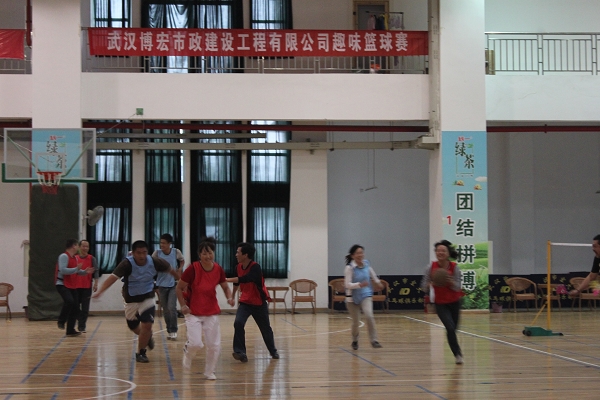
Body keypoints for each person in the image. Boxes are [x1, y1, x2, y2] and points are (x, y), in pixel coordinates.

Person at [93, 240, 179, 363]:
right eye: (139, 253)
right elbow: (112, 278)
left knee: (147, 324)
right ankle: (147, 336)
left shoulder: (154, 261)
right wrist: (100, 291)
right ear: (133, 253)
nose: (142, 256)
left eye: (144, 252)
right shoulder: (126, 264)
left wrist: (181, 281)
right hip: (131, 300)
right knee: (133, 326)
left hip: (147, 297)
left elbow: (170, 269)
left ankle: (141, 353)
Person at [176, 237, 234, 380]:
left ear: (214, 253)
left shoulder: (218, 269)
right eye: (204, 253)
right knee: (196, 343)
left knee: (214, 345)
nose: (208, 256)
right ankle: (188, 351)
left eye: (210, 253)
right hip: (193, 311)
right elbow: (178, 288)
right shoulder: (193, 269)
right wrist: (183, 305)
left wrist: (229, 298)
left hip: (211, 311)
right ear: (199, 255)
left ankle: (209, 371)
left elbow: (225, 287)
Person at [226, 242, 279, 363]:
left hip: (259, 303)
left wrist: (226, 279)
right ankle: (240, 352)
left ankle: (273, 351)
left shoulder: (255, 267)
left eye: (238, 252)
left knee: (265, 329)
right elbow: (237, 283)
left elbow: (245, 278)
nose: (236, 255)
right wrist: (232, 297)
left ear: (245, 255)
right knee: (238, 323)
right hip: (245, 302)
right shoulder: (238, 267)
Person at [421, 240, 464, 364]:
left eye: (443, 251)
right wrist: (430, 284)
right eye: (438, 250)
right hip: (440, 303)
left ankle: (456, 350)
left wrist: (450, 282)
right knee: (449, 327)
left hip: (455, 301)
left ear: (448, 253)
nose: (440, 252)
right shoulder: (430, 268)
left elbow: (458, 287)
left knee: (454, 328)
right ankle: (457, 354)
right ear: (435, 253)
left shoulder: (455, 268)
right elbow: (423, 286)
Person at [344, 244, 383, 350]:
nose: (360, 255)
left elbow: (373, 275)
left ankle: (374, 340)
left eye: (361, 252)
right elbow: (347, 284)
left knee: (369, 315)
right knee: (356, 322)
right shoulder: (349, 268)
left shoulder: (367, 264)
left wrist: (378, 283)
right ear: (353, 255)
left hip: (365, 294)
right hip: (352, 298)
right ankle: (355, 340)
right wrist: (359, 285)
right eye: (357, 253)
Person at [56, 238, 95, 337]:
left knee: (75, 307)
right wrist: (76, 269)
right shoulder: (64, 256)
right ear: (73, 246)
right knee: (69, 301)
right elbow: (63, 270)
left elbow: (77, 271)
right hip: (62, 284)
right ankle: (61, 320)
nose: (78, 247)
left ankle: (70, 330)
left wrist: (84, 272)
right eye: (77, 245)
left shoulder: (75, 258)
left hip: (71, 285)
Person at [152, 233, 184, 340]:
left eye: (164, 243)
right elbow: (151, 264)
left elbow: (182, 260)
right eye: (160, 243)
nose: (162, 245)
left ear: (169, 244)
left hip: (173, 284)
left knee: (171, 307)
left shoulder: (176, 252)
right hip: (161, 285)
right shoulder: (157, 253)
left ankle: (174, 330)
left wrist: (180, 269)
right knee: (165, 309)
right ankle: (169, 330)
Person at [72, 240, 99, 333]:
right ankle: (80, 318)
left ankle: (82, 326)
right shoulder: (75, 258)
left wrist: (96, 283)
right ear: (79, 247)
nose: (85, 248)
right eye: (83, 246)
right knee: (74, 306)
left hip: (86, 286)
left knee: (85, 308)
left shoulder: (92, 258)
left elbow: (96, 271)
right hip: (75, 286)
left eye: (87, 246)